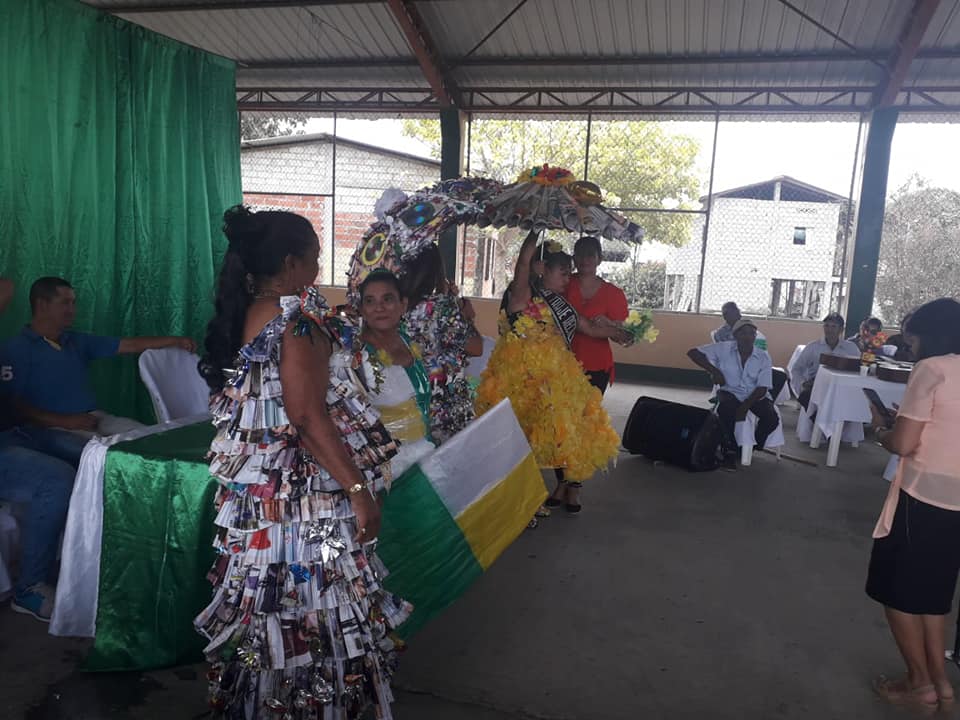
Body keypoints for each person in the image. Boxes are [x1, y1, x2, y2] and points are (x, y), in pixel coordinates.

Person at [194, 206, 411, 719]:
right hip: (308, 500)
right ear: (291, 263)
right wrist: (358, 491)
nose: (318, 265)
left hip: (259, 507)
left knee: (270, 615)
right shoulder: (295, 325)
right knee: (324, 605)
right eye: (314, 256)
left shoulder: (248, 316)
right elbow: (308, 417)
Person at [476, 232, 625, 518]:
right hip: (518, 380)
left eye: (569, 273)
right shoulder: (522, 294)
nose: (568, 279)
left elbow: (590, 328)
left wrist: (623, 333)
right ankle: (514, 496)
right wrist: (535, 230)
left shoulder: (561, 304)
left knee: (560, 431)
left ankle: (563, 485)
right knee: (517, 437)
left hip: (554, 379)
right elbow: (522, 263)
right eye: (563, 272)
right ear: (543, 269)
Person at [865, 298, 960, 709]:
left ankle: (919, 682)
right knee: (933, 596)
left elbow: (904, 444)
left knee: (897, 592)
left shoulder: (931, 369)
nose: (911, 349)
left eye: (913, 340)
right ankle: (941, 684)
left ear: (931, 337)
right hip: (956, 503)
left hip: (922, 498)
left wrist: (881, 431)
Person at [0, 276, 194, 466]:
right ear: (42, 305)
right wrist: (65, 421)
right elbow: (14, 406)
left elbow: (128, 345)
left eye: (73, 303)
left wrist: (175, 341)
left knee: (153, 439)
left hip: (95, 418)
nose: (72, 310)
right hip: (50, 430)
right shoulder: (16, 349)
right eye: (65, 303)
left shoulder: (75, 341)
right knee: (113, 459)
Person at [0, 277, 75, 622]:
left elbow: (5, 286)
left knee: (95, 455)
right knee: (57, 479)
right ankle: (29, 588)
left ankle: (88, 561)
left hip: (17, 432)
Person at [398, 244, 481, 444]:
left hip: (408, 401)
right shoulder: (442, 307)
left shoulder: (396, 304)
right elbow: (475, 347)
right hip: (443, 408)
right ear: (436, 270)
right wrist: (467, 316)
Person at [359, 270, 435, 477]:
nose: (379, 308)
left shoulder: (408, 342)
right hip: (388, 472)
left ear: (403, 304)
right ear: (362, 310)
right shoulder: (356, 356)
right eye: (370, 301)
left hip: (425, 458)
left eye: (388, 299)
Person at [687, 318, 780, 470]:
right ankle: (729, 452)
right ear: (735, 335)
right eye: (743, 333)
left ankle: (755, 445)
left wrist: (744, 407)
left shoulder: (763, 357)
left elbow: (762, 388)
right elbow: (693, 353)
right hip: (730, 391)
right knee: (726, 412)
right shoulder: (723, 348)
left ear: (755, 336)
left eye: (751, 333)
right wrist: (714, 371)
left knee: (771, 419)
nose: (748, 337)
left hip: (755, 394)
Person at [565, 236, 629, 394]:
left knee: (589, 408)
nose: (584, 259)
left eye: (590, 255)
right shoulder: (563, 283)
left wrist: (610, 325)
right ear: (573, 258)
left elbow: (626, 338)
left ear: (599, 259)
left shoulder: (613, 294)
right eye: (580, 254)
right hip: (561, 359)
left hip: (597, 365)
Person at [790, 312, 860, 409]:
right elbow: (796, 369)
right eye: (826, 326)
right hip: (816, 387)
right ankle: (815, 416)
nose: (829, 330)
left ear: (841, 329)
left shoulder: (851, 348)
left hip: (842, 388)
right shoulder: (813, 347)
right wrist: (802, 384)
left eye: (833, 326)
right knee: (807, 397)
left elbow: (858, 369)